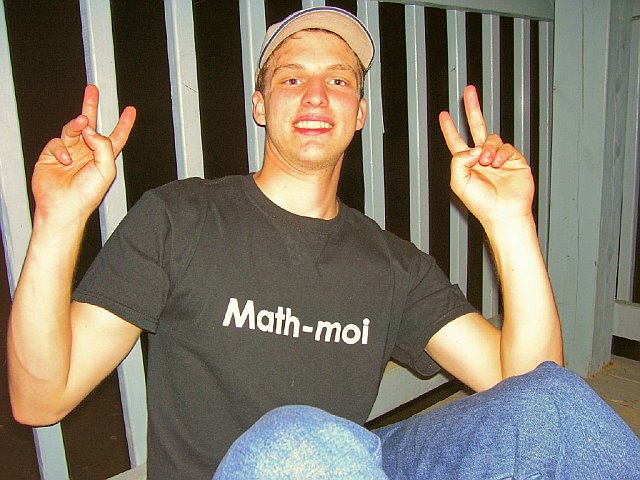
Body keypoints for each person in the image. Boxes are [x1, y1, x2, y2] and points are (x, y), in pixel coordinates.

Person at [7, 6, 639, 480]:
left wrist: (510, 222)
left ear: (359, 113)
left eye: (338, 81)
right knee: (301, 442)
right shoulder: (180, 219)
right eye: (291, 79)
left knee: (556, 405)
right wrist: (58, 219)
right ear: (260, 105)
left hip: (345, 463)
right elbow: (39, 398)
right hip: (284, 464)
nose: (315, 95)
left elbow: (529, 389)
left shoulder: (391, 265)